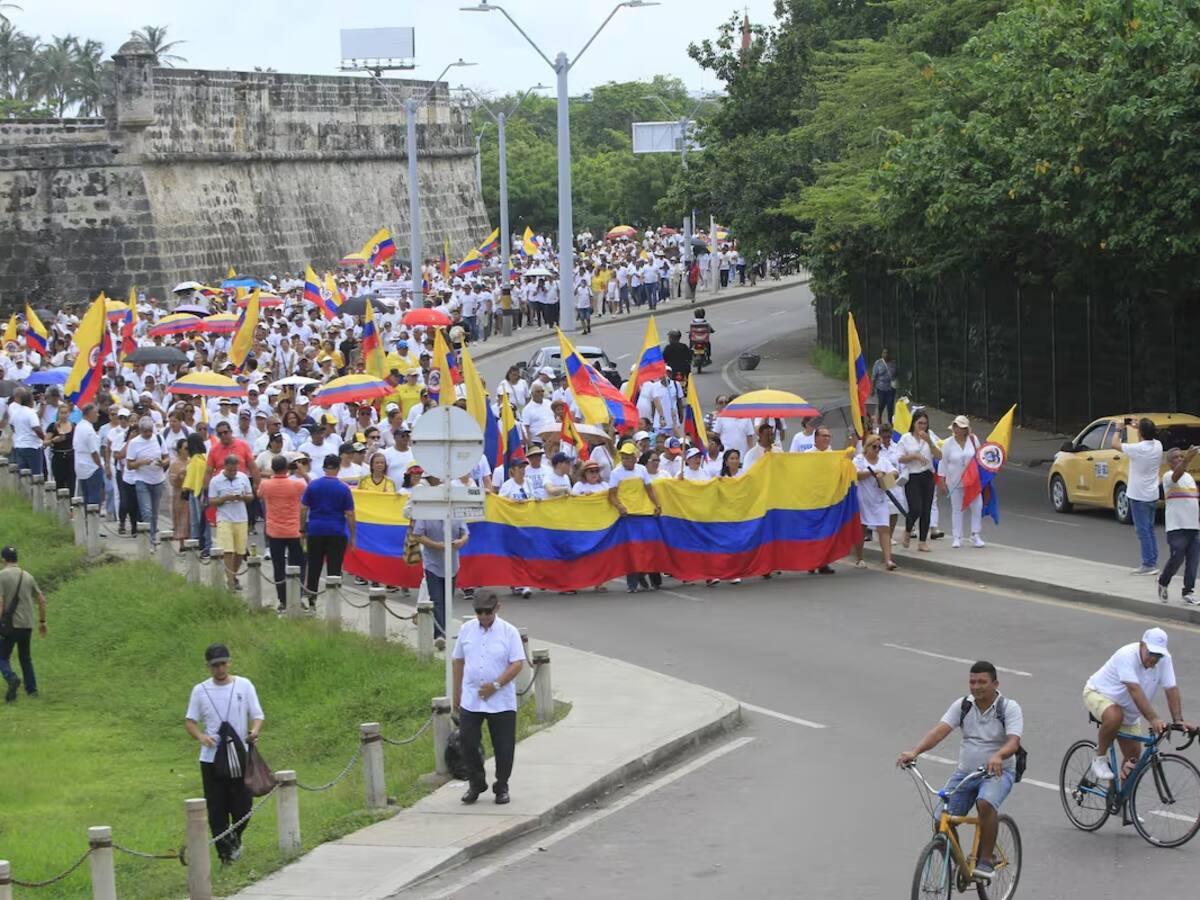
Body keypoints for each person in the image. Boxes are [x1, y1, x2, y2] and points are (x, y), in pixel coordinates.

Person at [896, 662, 1024, 884]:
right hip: (966, 774)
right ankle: (960, 866)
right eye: (972, 682)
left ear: (995, 684)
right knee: (940, 822)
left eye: (982, 682)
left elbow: (1013, 742)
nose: (976, 687)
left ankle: (985, 859)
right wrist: (915, 752)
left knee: (985, 803)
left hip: (998, 773)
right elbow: (940, 731)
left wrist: (998, 756)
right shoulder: (963, 705)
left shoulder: (1009, 708)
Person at [184, 643, 264, 866]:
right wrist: (202, 737)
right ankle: (225, 855)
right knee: (216, 808)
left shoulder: (244, 685)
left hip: (240, 755)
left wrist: (254, 731)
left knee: (243, 805)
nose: (220, 669)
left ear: (229, 662)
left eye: (223, 664)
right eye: (215, 666)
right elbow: (190, 722)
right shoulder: (200, 690)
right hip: (211, 759)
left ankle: (235, 837)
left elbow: (257, 715)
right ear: (208, 667)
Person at [1083, 628, 1191, 783]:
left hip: (1129, 711)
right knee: (1115, 716)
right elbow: (1134, 690)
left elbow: (1171, 688)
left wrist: (1178, 719)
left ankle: (1117, 802)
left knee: (1133, 761)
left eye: (1158, 655)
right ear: (1142, 645)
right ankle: (1099, 757)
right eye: (1151, 653)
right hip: (1099, 694)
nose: (1154, 659)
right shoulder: (1126, 655)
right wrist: (1153, 718)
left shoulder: (1165, 659)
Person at [453, 592, 525, 806]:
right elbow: (458, 661)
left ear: (497, 608)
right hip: (471, 698)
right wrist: (456, 692)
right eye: (479, 612)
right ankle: (476, 782)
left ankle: (501, 785)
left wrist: (495, 685)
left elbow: (517, 664)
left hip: (500, 699)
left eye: (487, 612)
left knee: (503, 746)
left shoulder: (508, 632)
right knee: (467, 742)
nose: (483, 616)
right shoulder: (467, 629)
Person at [412, 483, 470, 644]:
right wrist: (435, 545)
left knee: (448, 600)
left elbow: (465, 533)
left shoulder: (456, 512)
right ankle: (440, 634)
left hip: (452, 563)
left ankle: (443, 629)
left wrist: (460, 541)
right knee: (437, 599)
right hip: (433, 563)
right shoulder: (426, 512)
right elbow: (418, 534)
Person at [301, 454, 356, 604]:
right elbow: (350, 514)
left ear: (324, 468)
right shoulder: (344, 488)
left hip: (316, 530)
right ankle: (333, 601)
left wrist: (302, 529)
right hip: (336, 531)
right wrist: (353, 535)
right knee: (335, 567)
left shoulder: (313, 485)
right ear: (338, 469)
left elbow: (303, 508)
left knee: (314, 566)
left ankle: (311, 600)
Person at [608, 442, 662, 593]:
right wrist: (620, 507)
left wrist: (657, 505)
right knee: (631, 550)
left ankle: (653, 580)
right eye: (624, 458)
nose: (626, 461)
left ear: (635, 458)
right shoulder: (616, 473)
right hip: (628, 516)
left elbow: (649, 490)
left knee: (649, 547)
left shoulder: (642, 470)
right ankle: (632, 583)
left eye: (629, 458)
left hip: (645, 513)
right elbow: (611, 495)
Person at [1112, 418, 1164, 575]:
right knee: (1149, 529)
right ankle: (1152, 561)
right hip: (1152, 494)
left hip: (1138, 495)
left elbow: (1114, 444)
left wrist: (1119, 429)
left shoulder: (1138, 448)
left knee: (1142, 530)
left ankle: (1148, 564)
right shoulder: (1158, 445)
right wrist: (1138, 427)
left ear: (1140, 432)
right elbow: (1146, 436)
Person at [257, 455, 307, 611]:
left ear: (272, 468)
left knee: (278, 566)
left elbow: (259, 494)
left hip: (275, 532)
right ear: (287, 468)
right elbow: (312, 487)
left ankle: (283, 600)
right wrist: (303, 472)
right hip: (294, 531)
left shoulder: (266, 485)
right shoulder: (297, 485)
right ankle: (297, 597)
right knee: (299, 565)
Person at [0, 545, 47, 703]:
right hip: (27, 624)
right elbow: (41, 599)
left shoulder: (2, 576)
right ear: (16, 558)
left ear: (3, 559)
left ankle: (11, 678)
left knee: (2, 656)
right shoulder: (27, 576)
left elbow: (1, 603)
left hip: (10, 625)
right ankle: (31, 690)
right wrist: (42, 621)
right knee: (25, 658)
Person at [1157, 447, 1199, 604]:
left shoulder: (1189, 477)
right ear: (1169, 463)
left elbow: (1193, 500)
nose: (1180, 458)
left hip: (1193, 526)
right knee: (1177, 558)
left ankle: (1188, 591)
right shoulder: (1168, 476)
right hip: (1176, 527)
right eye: (1176, 457)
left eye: (1182, 456)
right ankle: (1163, 582)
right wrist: (1188, 459)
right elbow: (1176, 475)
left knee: (1193, 560)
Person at [209, 454, 254, 591]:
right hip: (224, 518)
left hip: (241, 517)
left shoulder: (243, 477)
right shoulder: (215, 481)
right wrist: (224, 498)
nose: (233, 473)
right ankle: (230, 582)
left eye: (235, 470)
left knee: (240, 551)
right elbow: (211, 501)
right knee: (228, 551)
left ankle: (233, 575)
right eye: (230, 471)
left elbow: (251, 496)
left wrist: (243, 497)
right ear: (225, 467)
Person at [899, 410, 941, 552]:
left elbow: (939, 455)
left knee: (926, 509)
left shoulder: (930, 437)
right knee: (916, 507)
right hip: (912, 476)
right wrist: (915, 456)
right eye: (919, 423)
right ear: (914, 423)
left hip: (927, 475)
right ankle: (908, 530)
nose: (922, 426)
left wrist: (929, 441)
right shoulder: (906, 438)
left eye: (924, 423)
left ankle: (922, 541)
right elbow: (899, 458)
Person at [855, 434, 899, 570]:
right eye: (874, 447)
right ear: (867, 447)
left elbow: (895, 472)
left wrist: (886, 475)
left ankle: (888, 560)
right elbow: (855, 474)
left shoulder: (883, 461)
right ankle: (860, 558)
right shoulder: (859, 460)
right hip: (864, 499)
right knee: (861, 529)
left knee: (884, 528)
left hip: (879, 500)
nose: (876, 450)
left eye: (879, 448)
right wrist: (871, 473)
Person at [940, 415, 984, 549]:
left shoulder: (973, 439)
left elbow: (979, 456)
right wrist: (941, 480)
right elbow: (943, 462)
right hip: (954, 480)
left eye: (963, 428)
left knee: (977, 506)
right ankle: (957, 537)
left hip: (972, 480)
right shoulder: (948, 443)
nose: (960, 430)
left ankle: (975, 534)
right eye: (958, 427)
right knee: (957, 509)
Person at [125, 416, 169, 545]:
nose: (148, 434)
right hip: (142, 479)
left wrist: (163, 462)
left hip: (157, 479)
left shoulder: (158, 439)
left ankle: (153, 534)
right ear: (140, 430)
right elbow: (129, 465)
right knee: (147, 511)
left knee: (155, 512)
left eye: (150, 431)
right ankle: (149, 539)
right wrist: (141, 462)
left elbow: (167, 458)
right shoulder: (134, 443)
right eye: (145, 431)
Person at [73, 403, 104, 507]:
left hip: (80, 466)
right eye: (95, 413)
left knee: (86, 497)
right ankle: (92, 521)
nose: (97, 415)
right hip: (91, 467)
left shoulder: (79, 426)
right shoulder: (88, 430)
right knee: (94, 498)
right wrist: (100, 465)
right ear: (88, 414)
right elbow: (94, 452)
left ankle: (87, 520)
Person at [8, 388, 45, 476]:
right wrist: (44, 438)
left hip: (19, 446)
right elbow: (37, 428)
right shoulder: (31, 413)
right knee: (36, 475)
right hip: (32, 446)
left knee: (23, 475)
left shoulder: (16, 412)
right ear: (30, 401)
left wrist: (19, 433)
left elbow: (12, 425)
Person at [44, 403, 75, 497]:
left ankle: (71, 505)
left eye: (66, 413)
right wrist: (54, 440)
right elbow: (45, 443)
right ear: (58, 414)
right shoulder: (53, 426)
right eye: (61, 413)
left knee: (71, 482)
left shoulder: (73, 426)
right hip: (58, 456)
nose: (64, 415)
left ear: (69, 413)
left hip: (70, 456)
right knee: (59, 481)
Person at [872, 349, 897, 425]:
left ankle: (890, 422)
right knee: (881, 405)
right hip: (881, 388)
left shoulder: (893, 363)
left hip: (890, 389)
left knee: (890, 407)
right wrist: (872, 389)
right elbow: (873, 377)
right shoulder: (878, 363)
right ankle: (879, 419)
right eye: (884, 353)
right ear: (882, 354)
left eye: (887, 353)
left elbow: (896, 374)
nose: (886, 355)